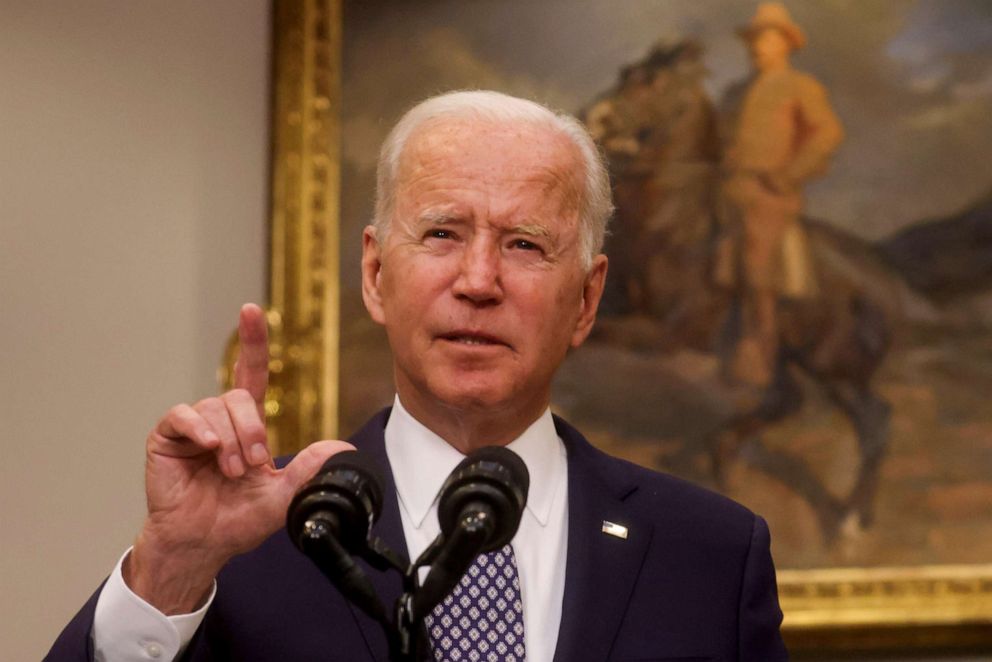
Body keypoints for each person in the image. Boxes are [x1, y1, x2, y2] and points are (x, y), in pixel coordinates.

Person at [49, 90, 787, 661]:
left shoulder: (711, 555)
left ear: (586, 300)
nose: (478, 280)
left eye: (525, 244)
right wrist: (170, 568)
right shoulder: (246, 544)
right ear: (375, 274)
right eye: (442, 233)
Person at [714, 2, 844, 388]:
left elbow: (827, 134)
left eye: (768, 39)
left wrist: (789, 174)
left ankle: (760, 355)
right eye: (755, 39)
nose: (759, 47)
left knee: (757, 265)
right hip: (729, 191)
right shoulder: (738, 92)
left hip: (770, 195)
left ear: (786, 44)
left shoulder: (800, 86)